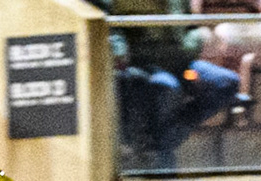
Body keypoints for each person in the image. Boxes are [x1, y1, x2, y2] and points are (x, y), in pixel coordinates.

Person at [101, 0, 240, 169]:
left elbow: (191, 29)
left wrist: (192, 43)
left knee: (225, 82)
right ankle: (162, 157)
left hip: (182, 63)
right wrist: (121, 53)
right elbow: (110, 27)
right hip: (145, 63)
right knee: (168, 86)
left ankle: (171, 135)